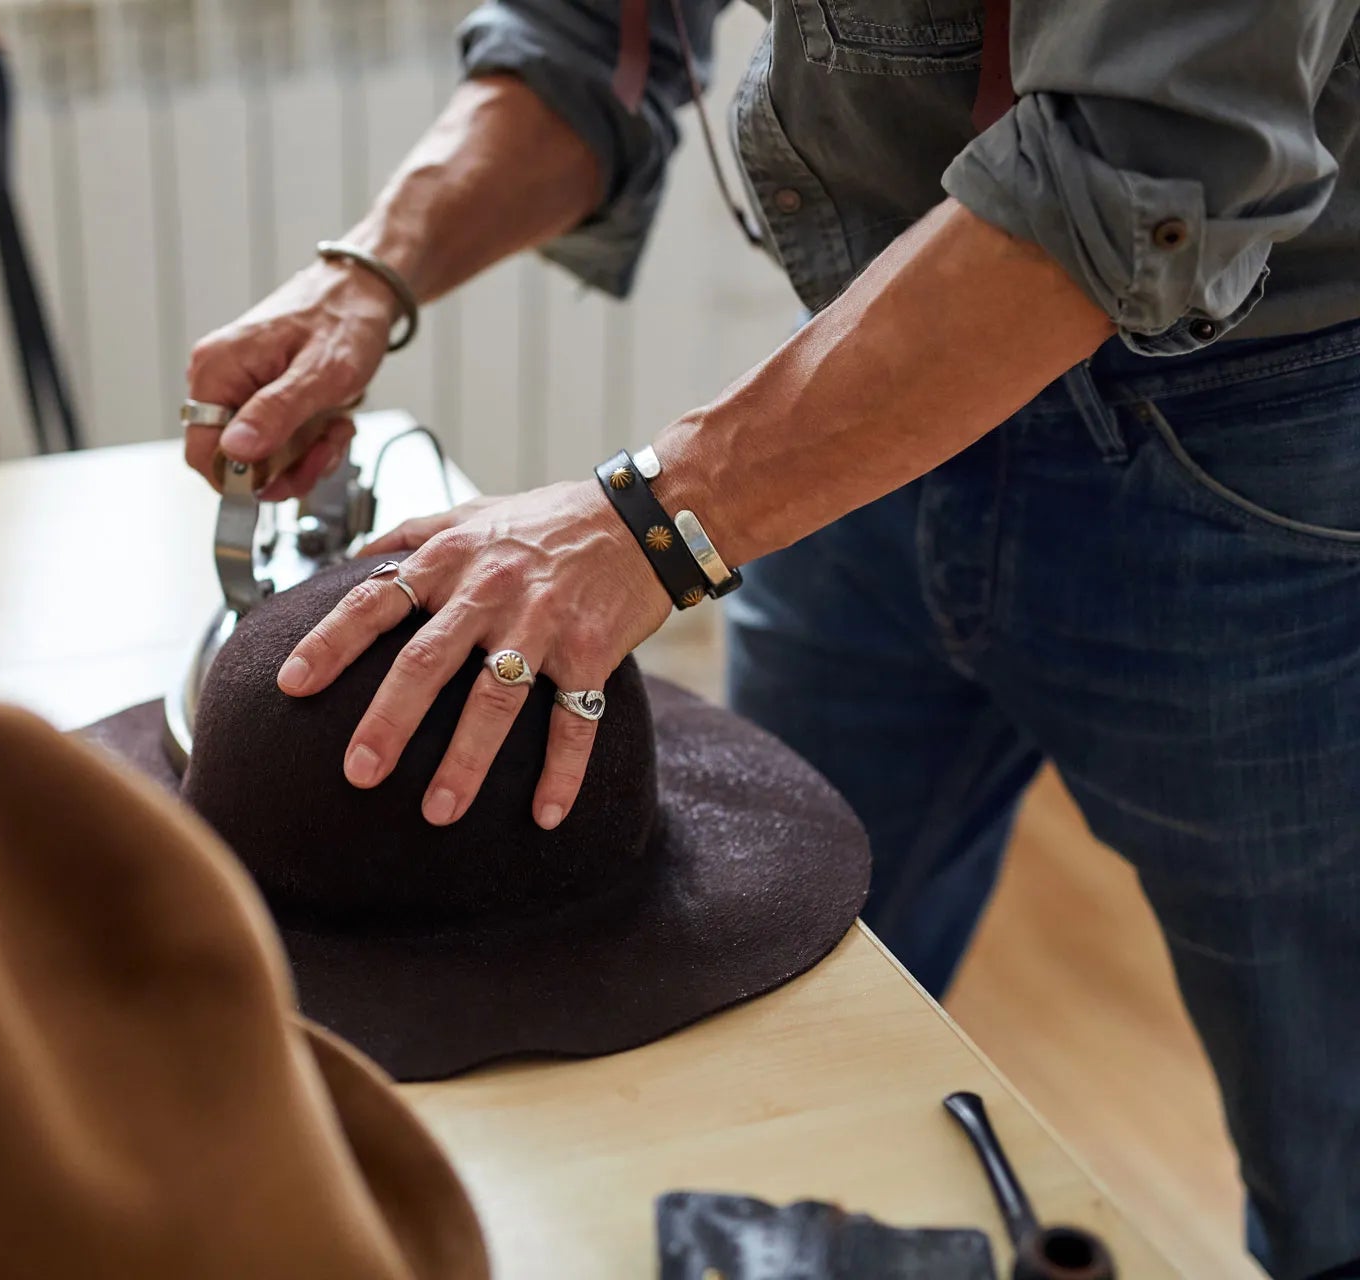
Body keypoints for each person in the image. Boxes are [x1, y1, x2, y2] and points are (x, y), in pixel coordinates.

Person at [181, 1, 1360, 1274]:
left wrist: (647, 521)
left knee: (1331, 1129)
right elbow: (595, 33)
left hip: (1258, 464)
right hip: (868, 390)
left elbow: (1138, 166)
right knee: (734, 997)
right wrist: (367, 270)